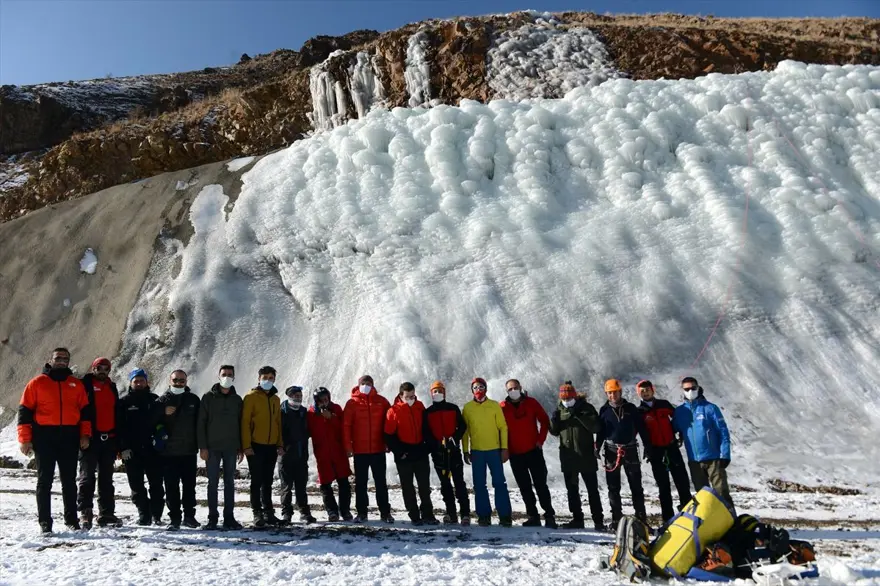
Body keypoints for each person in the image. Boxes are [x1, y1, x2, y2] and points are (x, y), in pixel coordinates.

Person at [17, 347, 92, 533]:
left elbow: (85, 413)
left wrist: (85, 435)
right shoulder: (37, 383)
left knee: (69, 481)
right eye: (58, 358)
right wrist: (25, 439)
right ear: (51, 360)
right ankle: (45, 522)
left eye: (65, 358)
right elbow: (24, 413)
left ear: (68, 361)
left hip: (69, 437)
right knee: (44, 481)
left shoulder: (76, 384)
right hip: (44, 438)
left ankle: (71, 519)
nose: (61, 361)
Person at [500, 378, 556, 528]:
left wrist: (540, 440)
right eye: (510, 389)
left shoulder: (531, 403)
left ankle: (549, 515)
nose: (513, 391)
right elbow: (499, 429)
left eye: (515, 388)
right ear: (506, 391)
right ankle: (533, 516)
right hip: (515, 454)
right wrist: (504, 449)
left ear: (520, 387)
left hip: (534, 451)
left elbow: (544, 421)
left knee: (541, 485)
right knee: (524, 487)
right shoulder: (502, 407)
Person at [549, 381, 604, 531]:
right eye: (563, 398)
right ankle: (577, 519)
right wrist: (553, 421)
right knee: (572, 490)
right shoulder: (559, 410)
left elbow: (596, 427)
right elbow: (554, 432)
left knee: (592, 490)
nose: (566, 401)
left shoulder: (586, 408)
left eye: (569, 398)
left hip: (586, 456)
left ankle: (598, 520)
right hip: (568, 456)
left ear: (574, 396)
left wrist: (579, 415)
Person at [636, 379, 692, 523]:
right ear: (639, 394)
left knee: (682, 482)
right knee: (663, 487)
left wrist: (681, 434)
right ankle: (668, 519)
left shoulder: (664, 404)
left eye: (647, 390)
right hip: (655, 452)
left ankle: (688, 514)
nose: (645, 393)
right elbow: (637, 431)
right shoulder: (639, 412)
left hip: (672, 448)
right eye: (642, 391)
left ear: (652, 390)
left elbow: (677, 419)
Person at [596, 378, 650, 528]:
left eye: (615, 392)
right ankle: (616, 520)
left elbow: (641, 427)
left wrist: (647, 446)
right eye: (609, 393)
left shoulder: (631, 408)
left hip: (630, 449)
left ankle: (641, 519)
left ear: (620, 392)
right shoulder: (604, 410)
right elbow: (601, 432)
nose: (612, 395)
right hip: (611, 451)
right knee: (613, 488)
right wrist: (597, 447)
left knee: (636, 486)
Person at [673, 377, 733, 507]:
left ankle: (730, 517)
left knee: (721, 493)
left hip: (714, 459)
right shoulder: (680, 411)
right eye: (687, 389)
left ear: (698, 388)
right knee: (703, 496)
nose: (690, 391)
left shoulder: (710, 408)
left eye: (693, 388)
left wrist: (725, 455)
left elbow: (723, 432)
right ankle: (708, 519)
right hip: (694, 461)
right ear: (683, 391)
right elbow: (673, 428)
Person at [77, 357, 122, 529]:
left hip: (109, 439)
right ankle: (85, 512)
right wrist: (83, 435)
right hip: (90, 438)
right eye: (99, 368)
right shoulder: (84, 385)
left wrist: (118, 442)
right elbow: (80, 411)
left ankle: (106, 513)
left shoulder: (112, 387)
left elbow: (116, 414)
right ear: (93, 368)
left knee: (106, 479)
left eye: (106, 368)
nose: (102, 371)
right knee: (87, 477)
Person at [197, 364, 244, 530]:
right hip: (212, 448)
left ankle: (229, 518)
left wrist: (241, 447)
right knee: (213, 483)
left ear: (234, 377)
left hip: (231, 447)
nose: (227, 377)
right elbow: (201, 423)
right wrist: (202, 447)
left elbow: (241, 424)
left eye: (230, 374)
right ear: (218, 376)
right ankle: (212, 518)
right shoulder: (208, 397)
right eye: (224, 374)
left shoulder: (237, 400)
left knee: (230, 482)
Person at [462, 377, 512, 527]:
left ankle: (505, 516)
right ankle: (484, 516)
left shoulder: (494, 405)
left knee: (499, 483)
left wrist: (504, 448)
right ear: (472, 390)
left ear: (486, 389)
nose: (478, 390)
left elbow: (503, 427)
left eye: (481, 387)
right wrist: (465, 451)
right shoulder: (468, 408)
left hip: (494, 451)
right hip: (477, 451)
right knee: (479, 485)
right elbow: (465, 432)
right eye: (475, 387)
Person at [385, 382, 437, 526]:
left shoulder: (419, 406)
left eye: (413, 396)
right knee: (408, 487)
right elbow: (389, 435)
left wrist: (428, 447)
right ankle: (414, 515)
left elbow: (426, 428)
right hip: (404, 454)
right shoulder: (393, 410)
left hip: (420, 451)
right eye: (408, 397)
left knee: (424, 486)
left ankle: (428, 514)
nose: (411, 399)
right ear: (401, 396)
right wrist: (400, 452)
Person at [117, 368, 164, 526]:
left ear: (146, 382)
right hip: (132, 451)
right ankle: (144, 514)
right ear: (130, 383)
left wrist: (161, 439)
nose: (139, 383)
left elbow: (162, 423)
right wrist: (123, 448)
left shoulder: (155, 400)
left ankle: (157, 514)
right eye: (135, 381)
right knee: (136, 485)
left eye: (141, 380)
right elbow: (119, 427)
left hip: (153, 450)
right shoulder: (124, 402)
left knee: (156, 484)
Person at [344, 375, 393, 523]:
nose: (366, 385)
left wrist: (389, 443)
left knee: (381, 482)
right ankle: (361, 513)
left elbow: (389, 423)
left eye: (369, 383)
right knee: (361, 483)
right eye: (363, 383)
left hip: (378, 449)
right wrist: (348, 447)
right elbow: (346, 426)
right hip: (360, 451)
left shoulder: (382, 401)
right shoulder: (352, 403)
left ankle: (385, 513)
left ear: (373, 385)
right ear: (358, 385)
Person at [156, 370, 201, 531]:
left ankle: (189, 516)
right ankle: (174, 518)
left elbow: (200, 424)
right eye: (175, 380)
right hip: (169, 453)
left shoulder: (194, 400)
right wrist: (162, 412)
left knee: (189, 486)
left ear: (186, 382)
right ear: (170, 381)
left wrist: (201, 445)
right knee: (171, 487)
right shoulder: (161, 401)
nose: (178, 383)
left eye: (182, 380)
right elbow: (151, 421)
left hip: (189, 451)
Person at [241, 366, 284, 529]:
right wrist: (246, 446)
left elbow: (278, 423)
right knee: (256, 480)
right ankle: (257, 512)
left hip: (271, 446)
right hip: (255, 445)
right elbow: (245, 423)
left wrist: (279, 443)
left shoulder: (275, 399)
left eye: (270, 378)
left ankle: (269, 513)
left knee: (268, 481)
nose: (267, 380)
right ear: (259, 379)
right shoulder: (250, 397)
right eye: (264, 377)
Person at [423, 381, 470, 526]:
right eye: (435, 391)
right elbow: (426, 432)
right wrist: (435, 444)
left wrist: (454, 439)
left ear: (444, 393)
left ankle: (465, 514)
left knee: (459, 482)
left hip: (453, 451)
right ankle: (451, 513)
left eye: (440, 391)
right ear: (431, 393)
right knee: (445, 484)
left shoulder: (453, 408)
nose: (437, 393)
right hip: (438, 454)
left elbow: (462, 426)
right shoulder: (428, 412)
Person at [308, 387, 352, 522]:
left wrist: (331, 417)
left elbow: (344, 428)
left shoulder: (336, 409)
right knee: (325, 484)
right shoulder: (311, 413)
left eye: (326, 398)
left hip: (338, 451)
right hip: (322, 453)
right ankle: (332, 511)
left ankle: (345, 511)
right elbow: (306, 431)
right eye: (321, 399)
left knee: (344, 482)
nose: (324, 401)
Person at [279, 385, 315, 524]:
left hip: (301, 455)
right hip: (286, 455)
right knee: (286, 487)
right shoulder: (282, 411)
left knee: (301, 486)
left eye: (300, 396)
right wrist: (281, 446)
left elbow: (308, 430)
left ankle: (304, 512)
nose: (298, 398)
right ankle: (286, 514)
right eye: (295, 396)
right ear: (289, 396)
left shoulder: (303, 411)